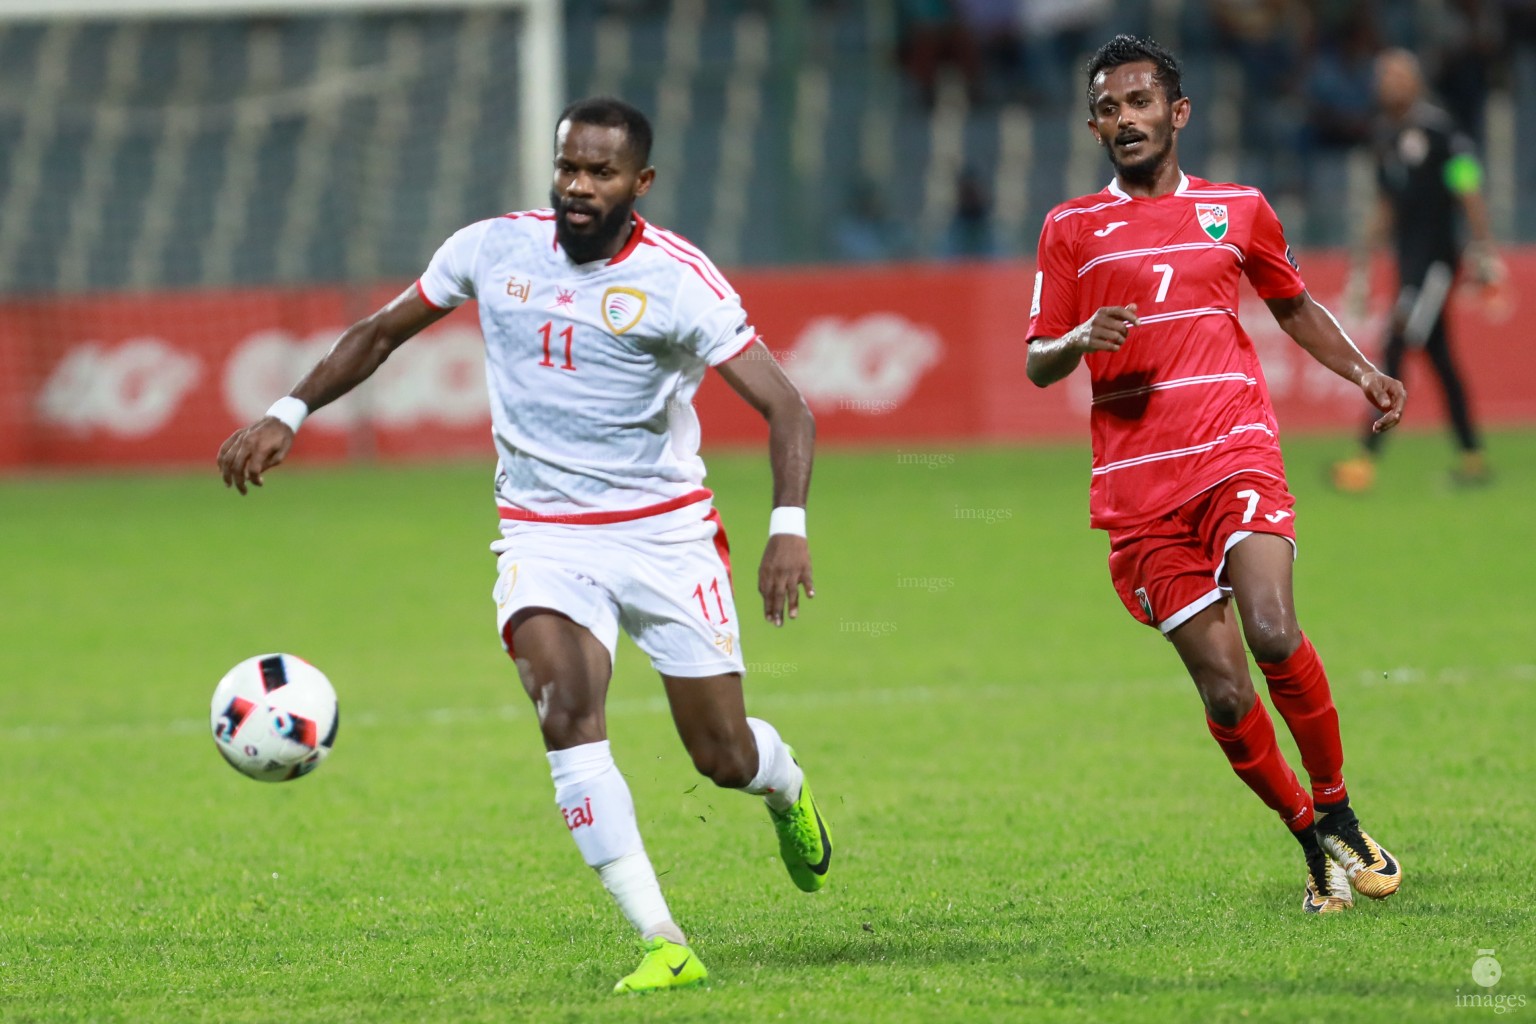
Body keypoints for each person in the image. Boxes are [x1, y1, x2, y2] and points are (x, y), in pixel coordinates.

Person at [217, 97, 832, 993]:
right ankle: (664, 940)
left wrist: (788, 529)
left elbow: (788, 406)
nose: (579, 187)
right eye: (568, 167)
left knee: (721, 755)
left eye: (601, 173)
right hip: (543, 534)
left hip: (665, 535)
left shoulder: (678, 279)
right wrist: (289, 409)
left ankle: (784, 787)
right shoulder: (491, 248)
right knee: (565, 711)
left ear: (641, 183)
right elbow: (380, 333)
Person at [1024, 35, 1408, 914]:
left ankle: (1341, 810)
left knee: (1273, 628)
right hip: (1139, 492)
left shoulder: (1239, 209)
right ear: (1094, 127)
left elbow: (1293, 304)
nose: (1127, 118)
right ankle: (1309, 838)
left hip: (1235, 447)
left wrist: (1363, 371)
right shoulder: (1071, 229)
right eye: (1111, 108)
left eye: (1142, 101)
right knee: (1228, 688)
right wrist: (1082, 340)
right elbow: (1040, 358)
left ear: (1178, 112)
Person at [1331, 48, 1499, 492]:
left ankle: (1364, 460)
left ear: (1416, 82)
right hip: (1410, 264)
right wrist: (1363, 262)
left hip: (1438, 262)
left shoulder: (1438, 129)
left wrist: (1483, 249)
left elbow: (1467, 182)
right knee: (1438, 356)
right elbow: (1386, 203)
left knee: (1395, 344)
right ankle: (1473, 456)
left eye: (1398, 75)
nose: (1389, 83)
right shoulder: (1385, 136)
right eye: (1384, 75)